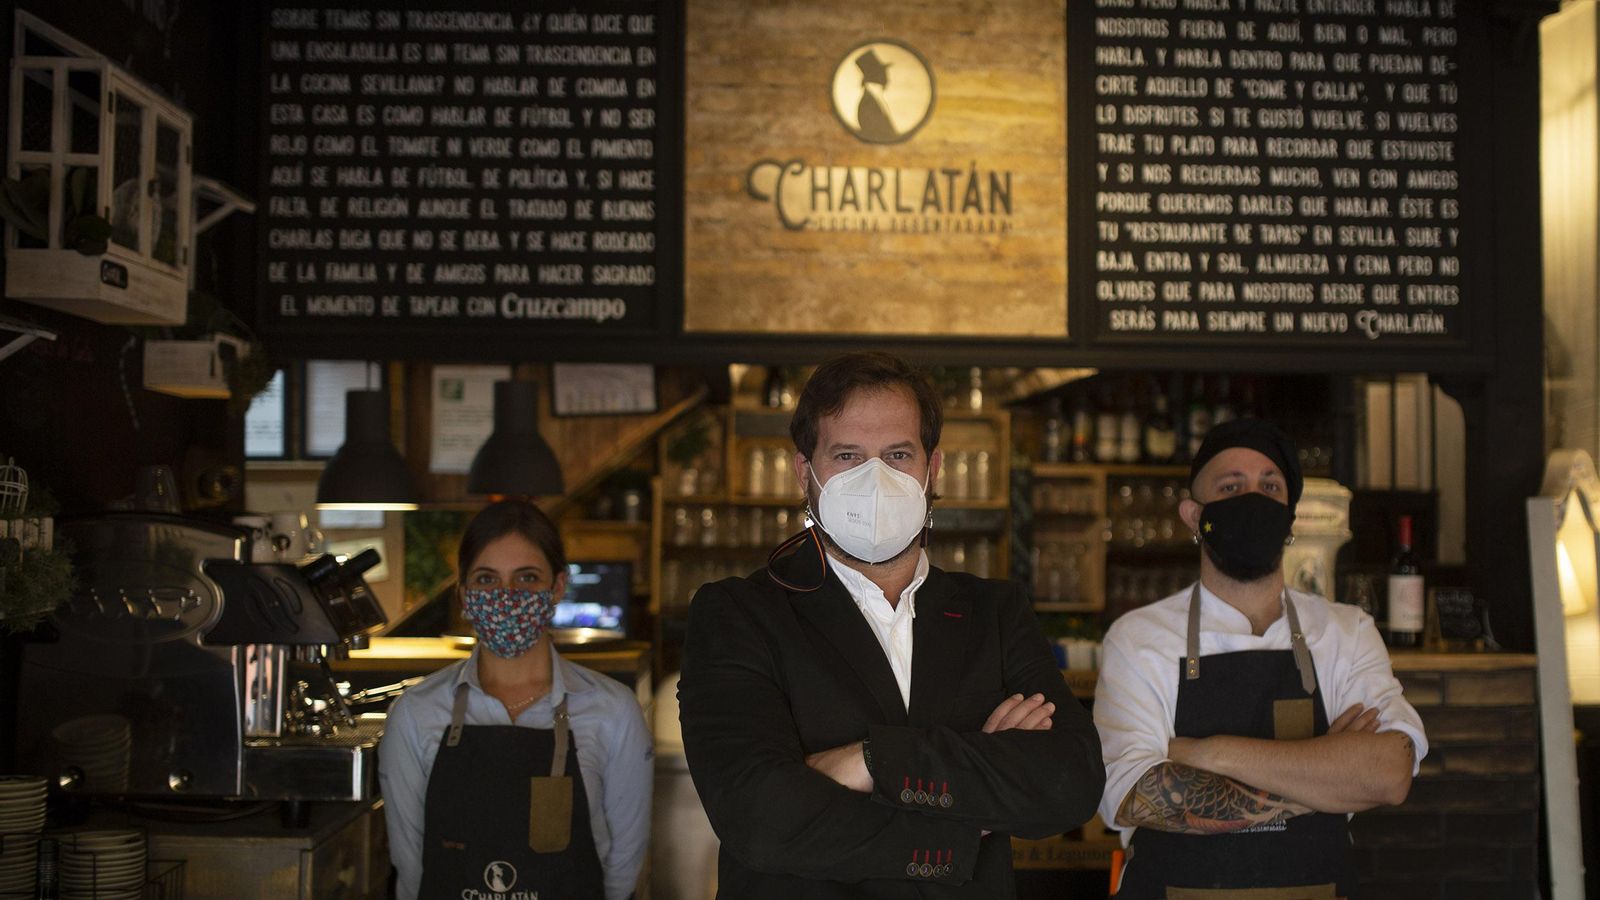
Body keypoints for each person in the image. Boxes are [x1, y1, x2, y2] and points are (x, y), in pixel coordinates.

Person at [678, 352, 1105, 898]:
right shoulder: (738, 614)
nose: (874, 478)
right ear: (804, 473)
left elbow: (1070, 784)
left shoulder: (993, 611)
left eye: (898, 454)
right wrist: (969, 807)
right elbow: (758, 818)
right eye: (847, 455)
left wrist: (871, 760)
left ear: (933, 470)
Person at [1094, 418, 1429, 898]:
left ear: (1289, 516)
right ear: (1193, 516)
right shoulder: (1139, 638)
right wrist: (1325, 779)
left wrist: (1205, 752)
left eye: (1269, 486)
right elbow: (1128, 795)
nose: (1252, 499)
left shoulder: (1346, 631)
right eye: (1231, 486)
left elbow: (1390, 772)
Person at [380, 500, 652, 900]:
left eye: (526, 579)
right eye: (487, 581)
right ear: (464, 595)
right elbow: (412, 867)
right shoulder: (415, 713)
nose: (506, 597)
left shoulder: (613, 711)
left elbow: (623, 868)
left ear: (557, 587)